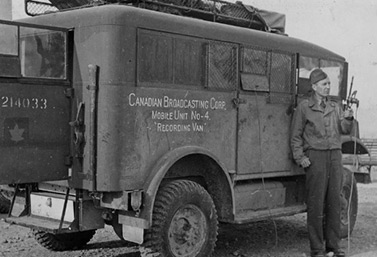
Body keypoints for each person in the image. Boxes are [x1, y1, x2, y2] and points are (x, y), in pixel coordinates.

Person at [290, 68, 354, 257]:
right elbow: (295, 136)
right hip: (315, 157)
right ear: (314, 86)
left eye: (329, 84)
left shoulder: (334, 107)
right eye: (324, 84)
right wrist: (301, 158)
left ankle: (333, 247)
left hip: (334, 156)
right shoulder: (304, 107)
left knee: (335, 201)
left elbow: (343, 128)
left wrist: (348, 118)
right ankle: (317, 249)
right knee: (316, 204)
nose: (328, 87)